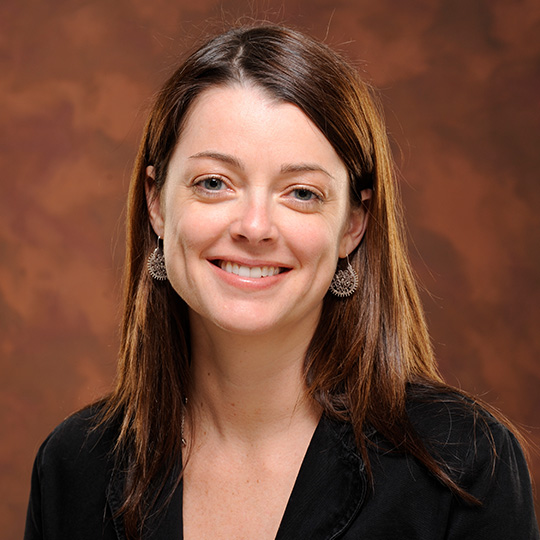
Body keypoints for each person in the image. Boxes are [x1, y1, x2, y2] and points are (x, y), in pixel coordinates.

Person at [24, 24, 539, 540]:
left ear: (353, 225)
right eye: (213, 183)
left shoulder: (465, 466)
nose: (254, 226)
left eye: (302, 193)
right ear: (157, 203)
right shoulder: (72, 469)